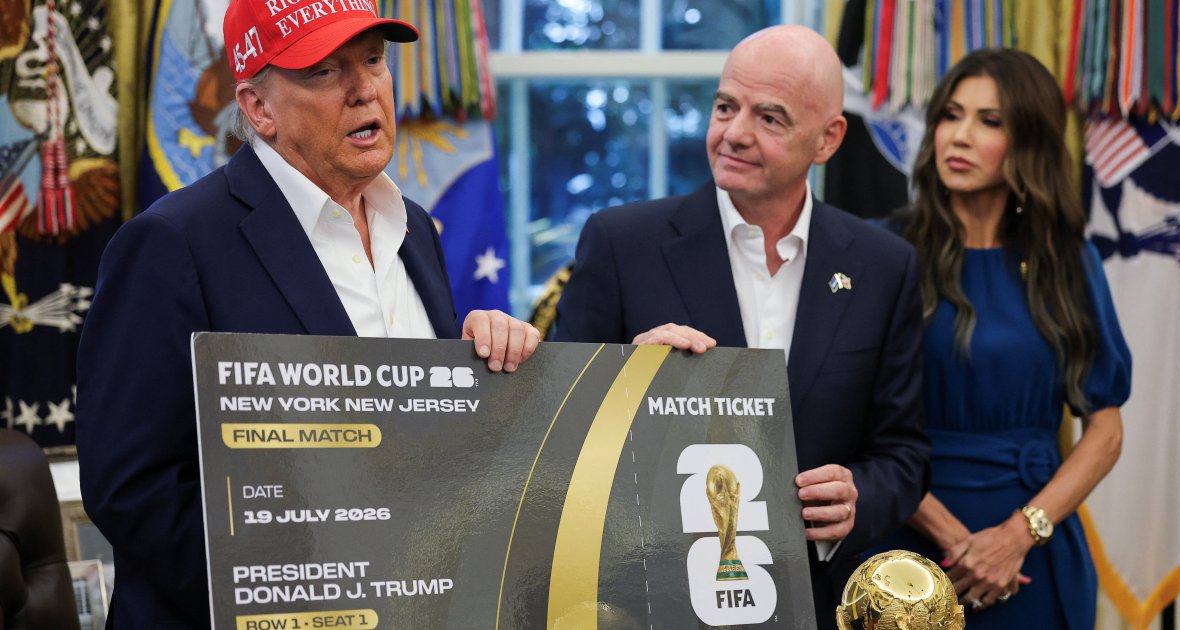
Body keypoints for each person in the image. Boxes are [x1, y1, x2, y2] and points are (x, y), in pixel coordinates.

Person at [74, 2, 540, 626]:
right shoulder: (171, 243)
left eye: (373, 60)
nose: (364, 89)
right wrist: (307, 594)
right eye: (324, 71)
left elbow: (419, 453)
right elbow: (132, 490)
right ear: (258, 108)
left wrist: (481, 374)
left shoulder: (414, 228)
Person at [554, 25, 931, 628]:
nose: (734, 133)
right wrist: (624, 379)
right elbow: (556, 438)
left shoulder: (884, 266)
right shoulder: (622, 244)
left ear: (829, 139)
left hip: (817, 602)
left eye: (770, 118)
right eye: (726, 106)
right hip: (652, 601)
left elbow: (903, 454)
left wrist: (857, 498)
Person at [872, 48, 1131, 630]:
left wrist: (1017, 536)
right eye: (951, 115)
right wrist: (960, 544)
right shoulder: (881, 251)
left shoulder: (1068, 261)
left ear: (1029, 142)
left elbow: (1106, 431)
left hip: (1033, 552)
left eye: (989, 122)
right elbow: (851, 419)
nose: (959, 136)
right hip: (906, 544)